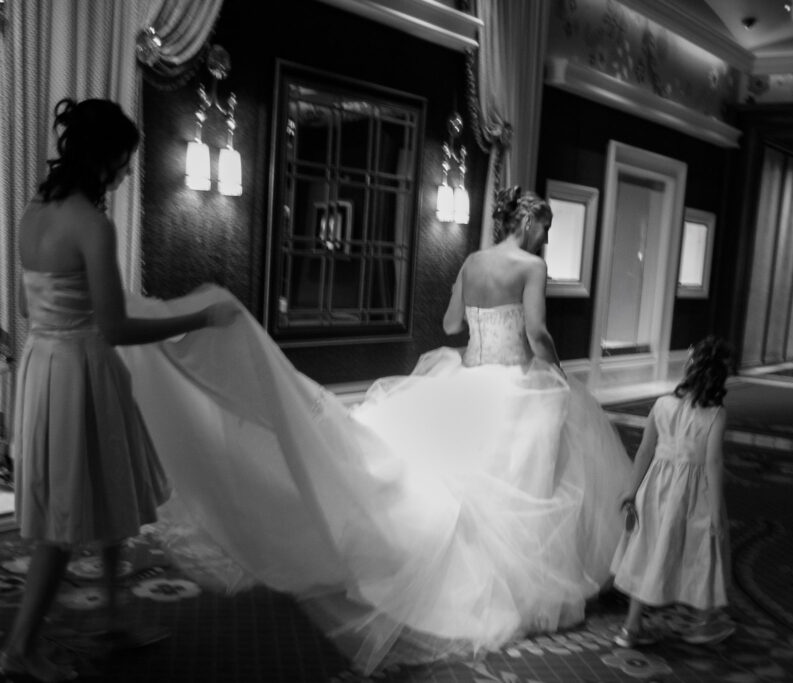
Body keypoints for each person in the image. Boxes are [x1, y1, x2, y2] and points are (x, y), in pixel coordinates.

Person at [112, 186, 633, 674]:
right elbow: (538, 331)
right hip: (513, 382)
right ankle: (526, 584)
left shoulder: (474, 262)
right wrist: (557, 375)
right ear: (529, 222)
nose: (549, 237)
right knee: (529, 482)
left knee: (462, 482)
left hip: (470, 376)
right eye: (547, 226)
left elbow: (452, 325)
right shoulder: (531, 265)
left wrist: (487, 322)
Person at [1, 98, 238, 683]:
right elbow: (115, 327)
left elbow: (36, 303)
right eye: (126, 161)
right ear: (105, 158)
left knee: (107, 496)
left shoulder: (35, 210)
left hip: (45, 364)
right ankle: (19, 648)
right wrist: (197, 320)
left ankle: (110, 614)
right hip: (80, 368)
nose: (129, 172)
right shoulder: (92, 223)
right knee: (63, 521)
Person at [609, 335, 735, 648]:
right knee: (698, 551)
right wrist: (718, 513)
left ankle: (631, 626)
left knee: (649, 549)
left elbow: (644, 451)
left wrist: (632, 490)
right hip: (691, 495)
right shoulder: (715, 415)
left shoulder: (662, 404)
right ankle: (703, 621)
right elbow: (713, 465)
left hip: (654, 489)